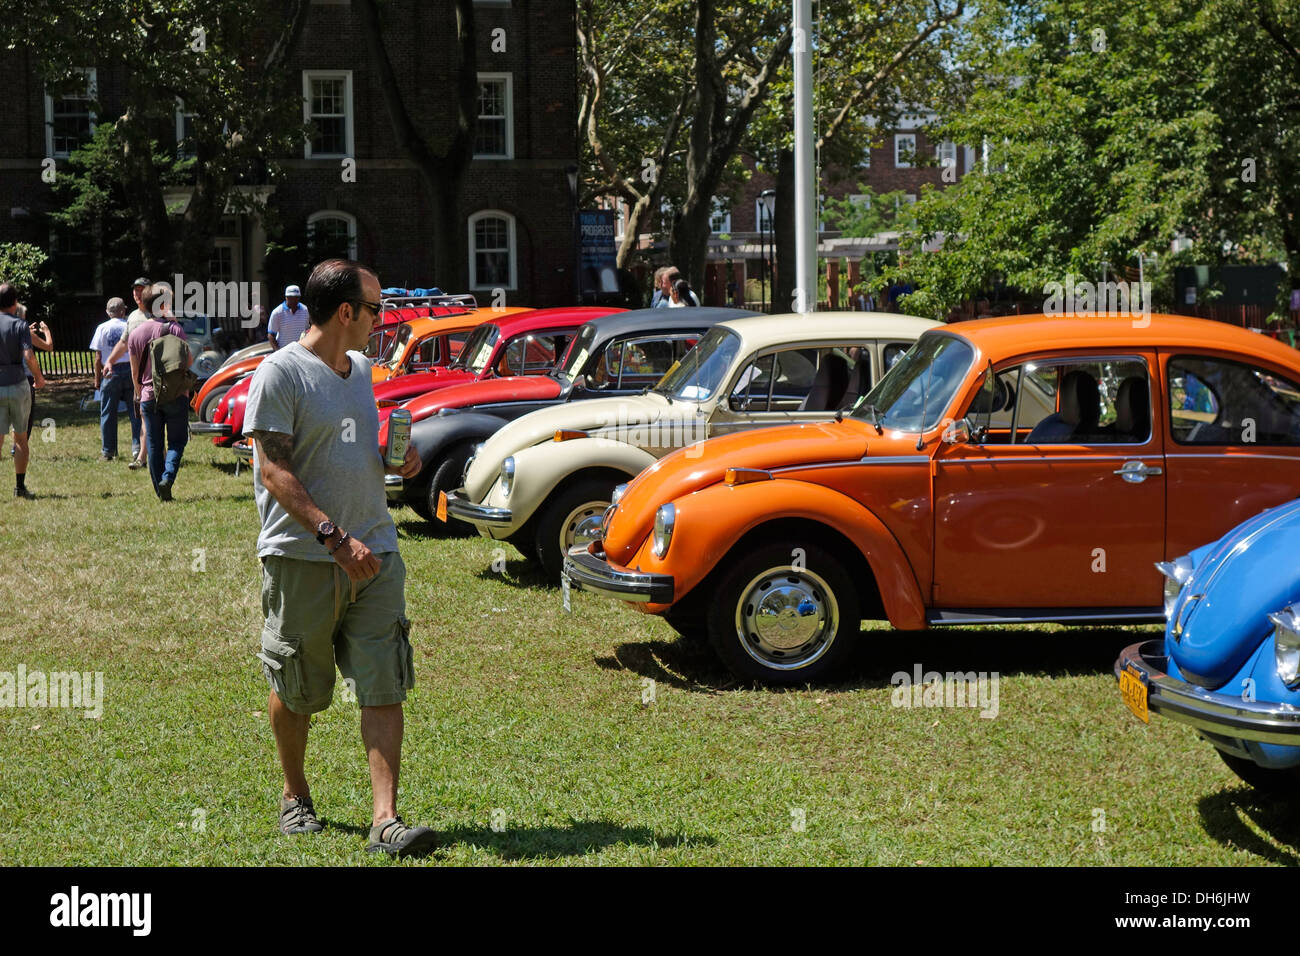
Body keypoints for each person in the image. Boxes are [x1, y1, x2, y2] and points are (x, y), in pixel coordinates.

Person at [243, 258, 433, 857]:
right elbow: (275, 469)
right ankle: (295, 795)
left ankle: (386, 819)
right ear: (346, 311)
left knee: (384, 681)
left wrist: (395, 461)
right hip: (306, 556)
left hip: (376, 550)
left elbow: (346, 452)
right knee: (298, 683)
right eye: (376, 308)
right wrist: (333, 536)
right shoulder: (281, 374)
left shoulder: (363, 372)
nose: (383, 320)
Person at [127, 283, 192, 501]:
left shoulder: (136, 334)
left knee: (154, 444)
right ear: (163, 305)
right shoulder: (175, 329)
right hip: (175, 394)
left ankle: (161, 493)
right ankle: (168, 478)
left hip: (148, 396)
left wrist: (139, 393)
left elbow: (134, 371)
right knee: (176, 442)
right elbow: (188, 362)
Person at [0, 284, 46, 498]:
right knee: (20, 437)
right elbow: (28, 356)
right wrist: (38, 377)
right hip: (17, 383)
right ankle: (19, 486)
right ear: (15, 302)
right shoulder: (20, 324)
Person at [104, 277, 152, 468]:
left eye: (141, 290)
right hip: (137, 376)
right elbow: (124, 343)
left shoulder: (159, 314)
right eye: (135, 290)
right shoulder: (132, 317)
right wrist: (110, 361)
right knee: (143, 415)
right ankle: (155, 454)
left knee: (148, 414)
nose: (137, 294)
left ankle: (142, 456)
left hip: (154, 374)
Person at [89, 297, 140, 461]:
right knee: (136, 412)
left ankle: (108, 451)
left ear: (107, 311)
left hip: (110, 372)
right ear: (123, 311)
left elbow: (98, 357)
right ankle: (137, 448)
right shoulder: (129, 326)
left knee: (108, 413)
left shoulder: (101, 328)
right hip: (130, 370)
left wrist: (97, 379)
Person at [267, 285, 310, 350]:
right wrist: (278, 352)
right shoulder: (277, 312)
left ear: (299, 297)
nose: (293, 300)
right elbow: (271, 335)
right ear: (286, 297)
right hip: (284, 351)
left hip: (301, 351)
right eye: (290, 297)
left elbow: (307, 331)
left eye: (296, 297)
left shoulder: (305, 310)